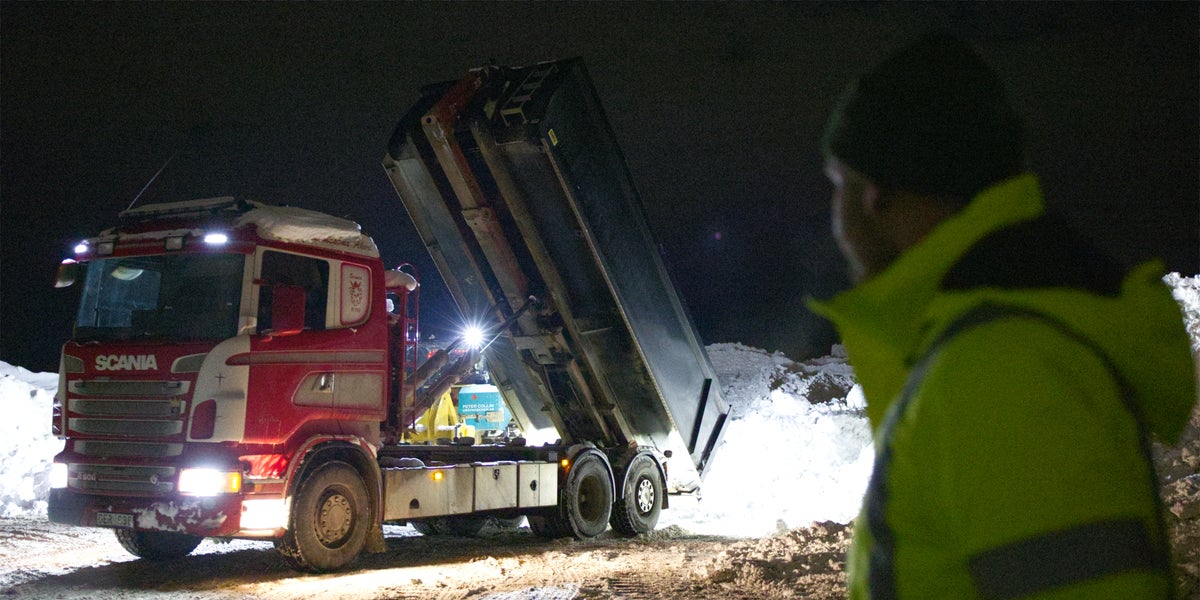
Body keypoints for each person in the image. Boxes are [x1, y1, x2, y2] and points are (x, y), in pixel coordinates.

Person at [809, 33, 1197, 599]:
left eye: (838, 186)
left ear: (876, 196)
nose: (837, 221)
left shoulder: (999, 369)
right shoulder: (995, 345)